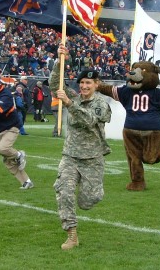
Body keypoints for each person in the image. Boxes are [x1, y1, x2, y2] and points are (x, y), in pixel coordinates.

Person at [49, 44, 112, 250]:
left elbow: (88, 119)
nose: (84, 86)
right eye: (82, 83)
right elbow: (54, 85)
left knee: (88, 200)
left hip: (93, 159)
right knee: (64, 191)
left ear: (96, 84)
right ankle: (72, 234)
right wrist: (60, 60)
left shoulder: (101, 104)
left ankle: (96, 192)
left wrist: (68, 103)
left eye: (89, 83)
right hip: (70, 157)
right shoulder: (74, 98)